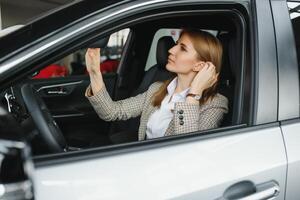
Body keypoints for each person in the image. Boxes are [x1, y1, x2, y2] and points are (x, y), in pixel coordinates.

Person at [85, 29, 228, 141]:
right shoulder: (157, 89)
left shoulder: (215, 103)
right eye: (176, 44)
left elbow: (187, 146)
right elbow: (111, 112)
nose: (171, 50)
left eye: (183, 48)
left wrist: (194, 93)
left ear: (200, 65)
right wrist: (94, 72)